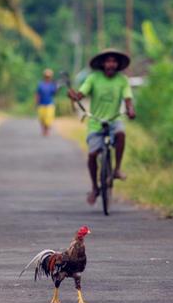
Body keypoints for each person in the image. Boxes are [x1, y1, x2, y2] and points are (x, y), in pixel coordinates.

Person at [68, 49, 136, 205]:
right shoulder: (93, 78)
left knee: (121, 133)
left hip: (114, 119)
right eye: (108, 61)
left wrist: (130, 109)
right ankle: (95, 187)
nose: (111, 64)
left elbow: (128, 98)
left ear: (118, 64)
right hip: (95, 122)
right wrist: (75, 96)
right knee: (92, 155)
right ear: (102, 64)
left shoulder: (122, 80)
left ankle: (117, 169)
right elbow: (81, 94)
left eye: (114, 61)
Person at [36, 68, 57, 136]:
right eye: (46, 76)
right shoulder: (41, 84)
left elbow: (55, 93)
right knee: (42, 118)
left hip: (49, 104)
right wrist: (37, 103)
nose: (47, 77)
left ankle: (47, 131)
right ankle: (43, 130)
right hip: (41, 104)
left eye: (49, 76)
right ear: (44, 76)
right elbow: (37, 94)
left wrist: (56, 86)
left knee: (48, 119)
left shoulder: (52, 85)